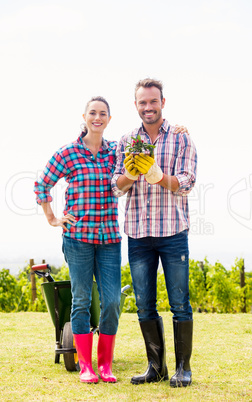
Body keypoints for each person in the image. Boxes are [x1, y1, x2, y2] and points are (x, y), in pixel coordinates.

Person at [111, 78, 197, 388]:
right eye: (142, 102)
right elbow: (115, 187)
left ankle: (183, 369)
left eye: (153, 101)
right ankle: (155, 367)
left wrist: (160, 177)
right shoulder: (125, 141)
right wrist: (130, 175)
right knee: (145, 303)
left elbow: (186, 182)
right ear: (135, 105)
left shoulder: (181, 138)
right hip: (138, 234)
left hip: (173, 233)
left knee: (179, 303)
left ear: (163, 102)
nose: (148, 107)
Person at [34, 97, 122, 384]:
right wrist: (52, 218)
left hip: (109, 238)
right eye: (93, 113)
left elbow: (138, 160)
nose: (98, 117)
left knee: (111, 301)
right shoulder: (68, 153)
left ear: (109, 118)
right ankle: (86, 366)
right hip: (78, 238)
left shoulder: (116, 153)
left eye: (103, 113)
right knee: (82, 299)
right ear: (84, 116)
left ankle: (105, 365)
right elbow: (42, 183)